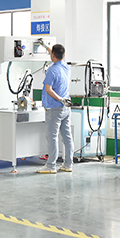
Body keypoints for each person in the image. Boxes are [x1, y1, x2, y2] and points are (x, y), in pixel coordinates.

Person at [37, 43, 75, 174]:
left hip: (54, 108)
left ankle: (51, 166)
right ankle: (68, 164)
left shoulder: (51, 70)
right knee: (67, 137)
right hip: (66, 108)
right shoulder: (66, 67)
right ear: (63, 55)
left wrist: (59, 99)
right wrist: (45, 45)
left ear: (52, 55)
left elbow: (49, 90)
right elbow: (56, 55)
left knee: (52, 137)